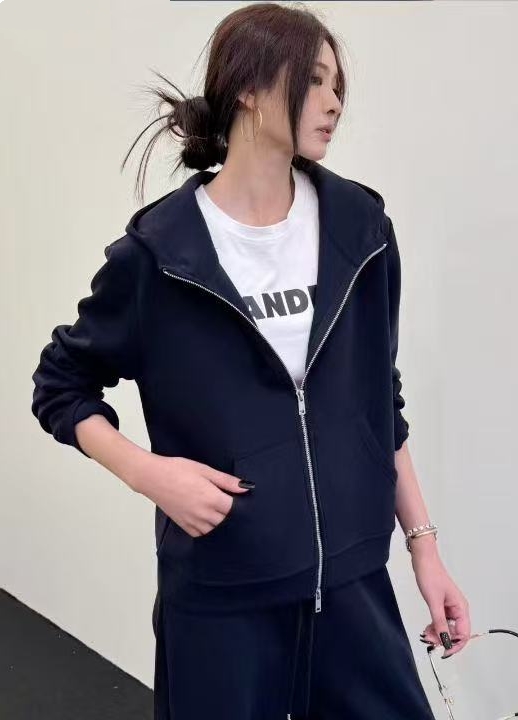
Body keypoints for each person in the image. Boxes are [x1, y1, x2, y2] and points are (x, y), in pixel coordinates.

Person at [31, 3, 471, 719]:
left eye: (338, 87)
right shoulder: (159, 254)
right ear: (249, 88)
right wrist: (150, 474)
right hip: (222, 600)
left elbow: (378, 401)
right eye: (315, 80)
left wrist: (424, 550)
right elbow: (61, 383)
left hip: (353, 591)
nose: (334, 103)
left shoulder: (362, 229)